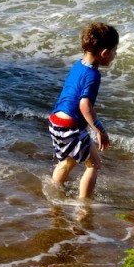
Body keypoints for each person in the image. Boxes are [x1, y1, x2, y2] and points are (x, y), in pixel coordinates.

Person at [48, 22, 119, 199]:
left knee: (67, 161)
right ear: (104, 53)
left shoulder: (78, 65)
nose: (114, 55)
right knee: (94, 164)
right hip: (71, 126)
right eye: (114, 51)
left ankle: (53, 192)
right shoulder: (94, 75)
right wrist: (100, 130)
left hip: (56, 121)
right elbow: (84, 105)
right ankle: (84, 204)